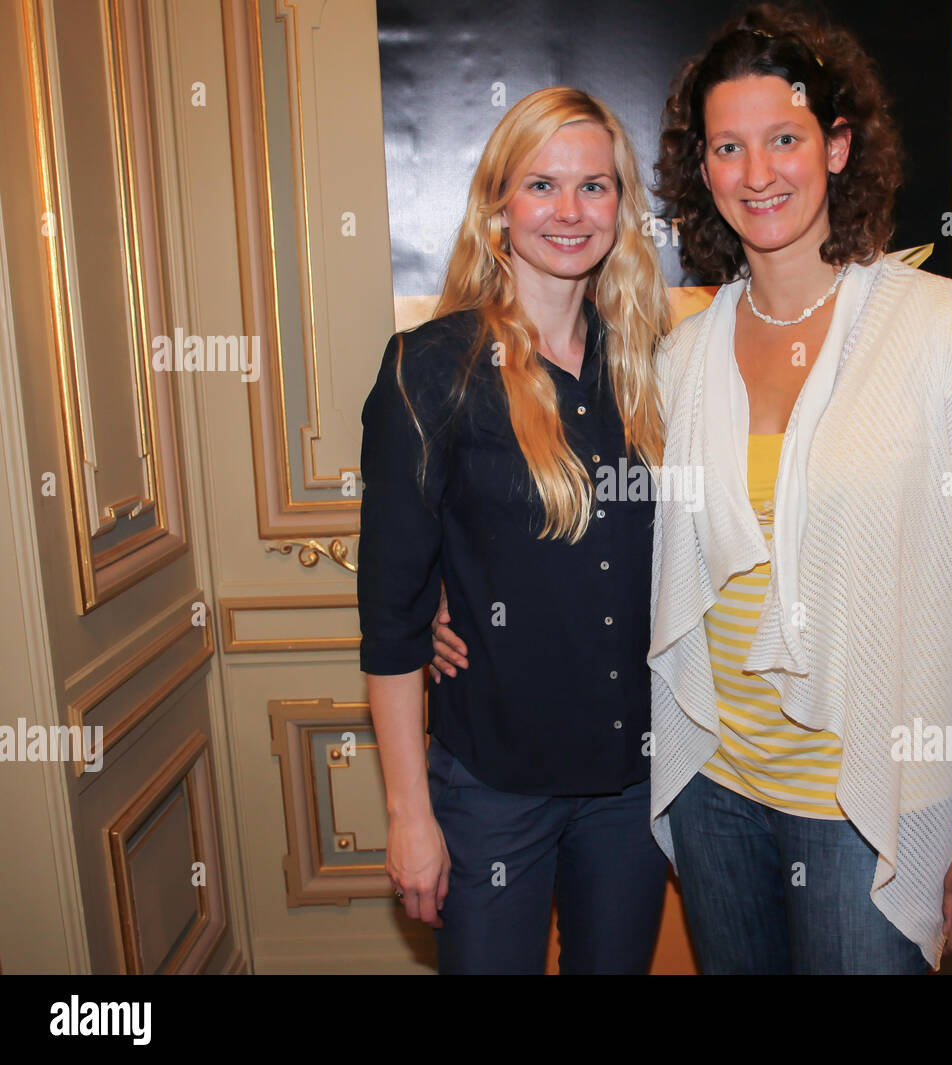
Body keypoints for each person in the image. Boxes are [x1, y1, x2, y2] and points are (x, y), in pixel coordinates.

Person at [640, 3, 952, 974]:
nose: (757, 171)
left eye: (783, 138)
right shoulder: (679, 358)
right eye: (728, 147)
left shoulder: (941, 325)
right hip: (715, 789)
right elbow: (625, 555)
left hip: (864, 804)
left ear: (835, 144)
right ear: (703, 172)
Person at [357, 86, 671, 974]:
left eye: (595, 187)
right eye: (542, 185)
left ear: (621, 205)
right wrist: (408, 814)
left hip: (631, 787)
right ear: (499, 205)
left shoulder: (651, 364)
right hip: (491, 790)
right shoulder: (433, 367)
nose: (570, 212)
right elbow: (389, 622)